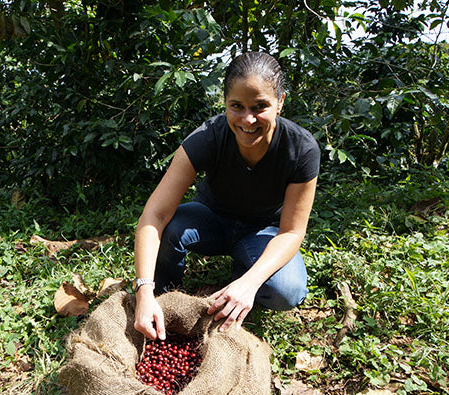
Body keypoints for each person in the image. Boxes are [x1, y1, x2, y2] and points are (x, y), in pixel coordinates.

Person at [133, 51, 320, 341]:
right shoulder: (207, 138)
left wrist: (249, 282)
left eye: (260, 106)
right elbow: (154, 215)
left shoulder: (301, 150)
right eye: (237, 106)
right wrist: (144, 291)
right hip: (211, 220)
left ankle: (243, 272)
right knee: (169, 227)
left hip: (263, 231)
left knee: (287, 292)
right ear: (225, 104)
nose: (248, 119)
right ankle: (164, 293)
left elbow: (292, 232)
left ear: (280, 102)